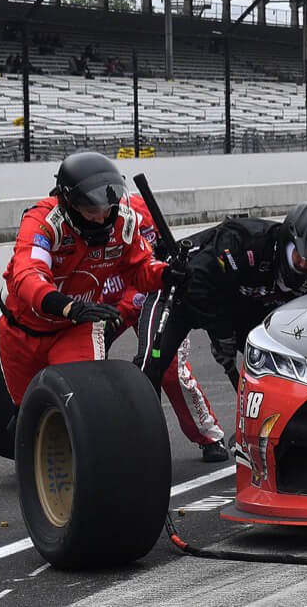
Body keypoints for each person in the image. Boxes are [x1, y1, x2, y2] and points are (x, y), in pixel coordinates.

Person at [0, 152, 167, 406]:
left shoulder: (122, 221)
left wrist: (166, 274)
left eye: (107, 209)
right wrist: (67, 306)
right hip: (20, 328)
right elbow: (28, 274)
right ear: (69, 204)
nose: (102, 218)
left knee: (84, 402)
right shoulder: (43, 222)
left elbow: (141, 268)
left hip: (76, 326)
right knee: (28, 409)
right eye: (91, 211)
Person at [135, 201, 307, 391]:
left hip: (235, 305)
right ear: (289, 241)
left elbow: (296, 331)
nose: (304, 265)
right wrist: (222, 333)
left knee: (282, 366)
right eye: (301, 256)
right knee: (151, 363)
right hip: (181, 291)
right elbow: (197, 282)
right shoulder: (245, 242)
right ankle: (139, 416)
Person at [113, 194, 226, 462]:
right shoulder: (85, 214)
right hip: (111, 295)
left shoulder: (140, 207)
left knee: (171, 370)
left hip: (152, 290)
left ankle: (208, 435)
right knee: (83, 359)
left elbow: (165, 252)